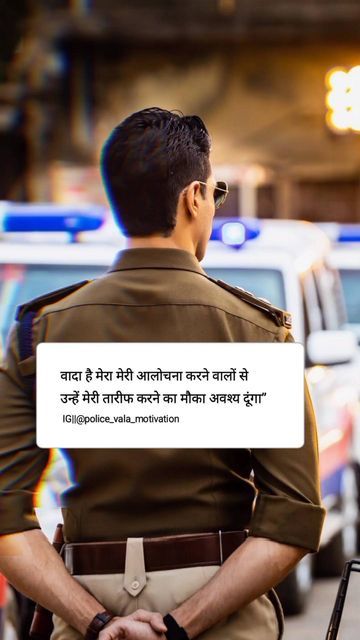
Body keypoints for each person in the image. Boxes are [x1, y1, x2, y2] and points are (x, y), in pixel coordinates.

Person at [0, 107, 325, 640]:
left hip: (89, 598)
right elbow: (291, 516)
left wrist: (96, 620)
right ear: (192, 197)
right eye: (215, 195)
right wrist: (178, 626)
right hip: (221, 606)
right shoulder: (256, 334)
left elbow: (8, 517)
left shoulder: (40, 334)